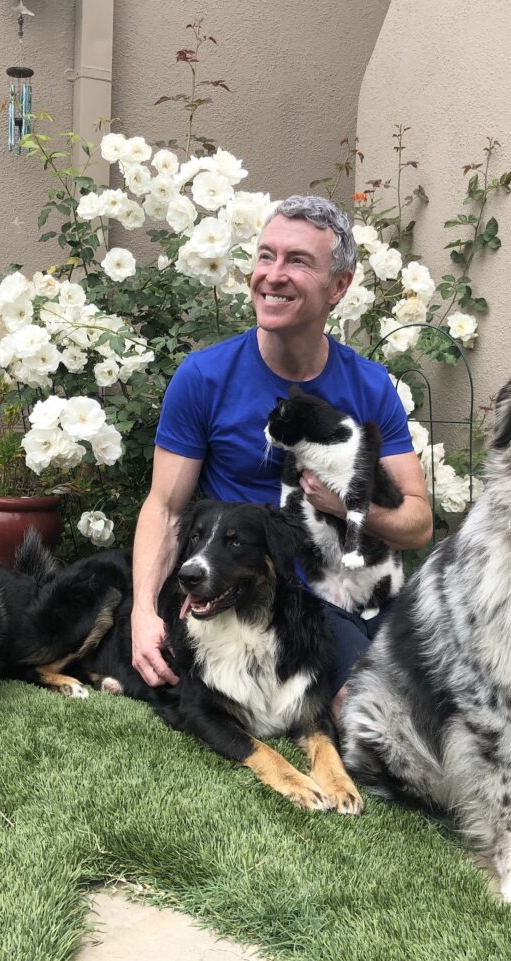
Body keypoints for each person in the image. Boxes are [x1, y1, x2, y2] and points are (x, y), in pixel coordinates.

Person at [131, 195, 432, 717]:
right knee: (370, 711)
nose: (272, 275)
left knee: (446, 685)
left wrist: (344, 508)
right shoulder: (204, 378)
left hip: (362, 584)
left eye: (297, 261)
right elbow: (166, 509)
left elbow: (418, 521)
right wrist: (142, 611)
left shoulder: (370, 386)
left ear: (339, 286)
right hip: (276, 598)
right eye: (265, 256)